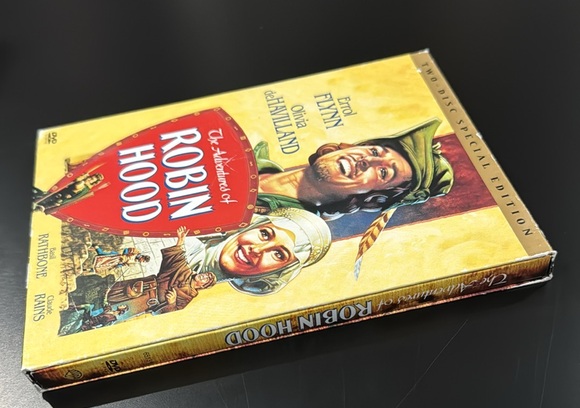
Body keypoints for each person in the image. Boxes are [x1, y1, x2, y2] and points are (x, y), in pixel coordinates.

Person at [106, 207, 332, 316]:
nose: (256, 250)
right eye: (264, 234)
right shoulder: (171, 240)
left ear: (280, 271)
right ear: (252, 226)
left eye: (279, 254)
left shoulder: (211, 309)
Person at [255, 118, 453, 221]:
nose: (367, 160)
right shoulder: (253, 151)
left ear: (373, 197)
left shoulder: (274, 229)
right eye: (375, 151)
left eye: (383, 172)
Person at [33, 172, 106, 214]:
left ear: (93, 182)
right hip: (59, 193)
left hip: (60, 198)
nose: (89, 179)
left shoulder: (85, 186)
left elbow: (77, 186)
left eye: (92, 179)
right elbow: (76, 180)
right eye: (91, 177)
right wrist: (84, 176)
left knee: (41, 202)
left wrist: (84, 179)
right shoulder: (84, 183)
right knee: (39, 197)